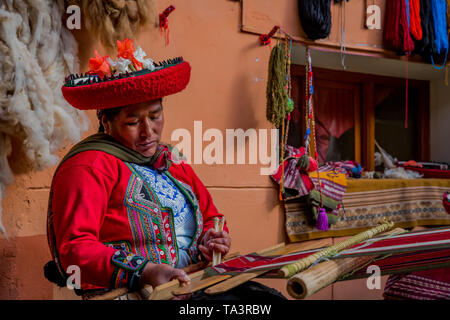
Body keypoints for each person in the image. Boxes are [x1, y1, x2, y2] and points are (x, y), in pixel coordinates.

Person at [44, 39, 285, 300]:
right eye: (133, 121)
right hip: (134, 294)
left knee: (266, 301)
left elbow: (210, 214)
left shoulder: (170, 159)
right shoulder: (88, 166)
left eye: (155, 116)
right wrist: (145, 271)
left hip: (192, 283)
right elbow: (75, 251)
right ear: (106, 121)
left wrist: (212, 239)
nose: (149, 132)